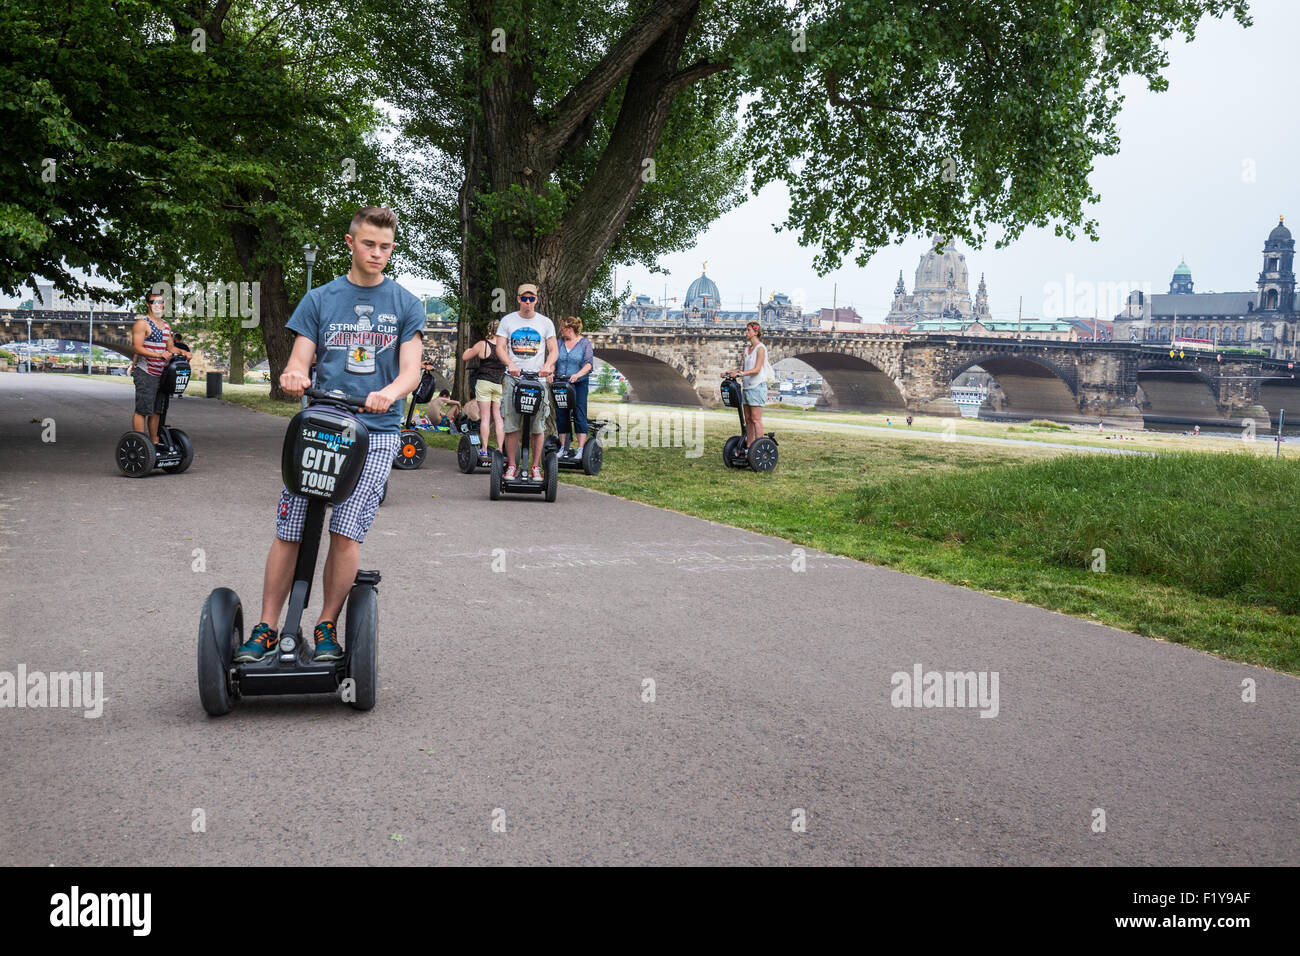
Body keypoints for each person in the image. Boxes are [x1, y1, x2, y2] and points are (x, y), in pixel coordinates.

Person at [233, 205, 424, 664]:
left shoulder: (405, 304)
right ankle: (267, 626)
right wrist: (294, 376)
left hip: (375, 430)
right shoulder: (319, 299)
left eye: (385, 247)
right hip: (321, 426)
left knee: (345, 532)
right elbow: (300, 358)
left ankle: (325, 625)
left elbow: (411, 372)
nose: (377, 253)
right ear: (350, 243)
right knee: (291, 527)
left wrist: (389, 392)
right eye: (369, 244)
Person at [496, 284, 557, 480]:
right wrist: (509, 363)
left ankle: (536, 467)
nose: (528, 302)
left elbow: (554, 350)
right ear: (518, 299)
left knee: (538, 426)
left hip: (537, 380)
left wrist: (547, 365)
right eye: (524, 298)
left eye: (531, 299)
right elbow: (500, 347)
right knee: (511, 424)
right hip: (513, 378)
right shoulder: (507, 320)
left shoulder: (545, 323)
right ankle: (512, 465)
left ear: (537, 300)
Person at [129, 291, 184, 445]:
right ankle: (141, 444)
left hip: (161, 374)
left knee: (156, 410)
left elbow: (171, 348)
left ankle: (154, 443)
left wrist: (184, 352)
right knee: (143, 410)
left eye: (160, 302)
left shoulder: (166, 325)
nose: (158, 305)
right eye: (154, 302)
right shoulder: (142, 323)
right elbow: (137, 348)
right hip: (146, 372)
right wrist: (158, 355)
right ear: (148, 304)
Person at [466, 320, 505, 463]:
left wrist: (468, 350)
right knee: (498, 417)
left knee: (485, 417)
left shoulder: (483, 344)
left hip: (484, 383)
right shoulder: (504, 347)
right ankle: (500, 449)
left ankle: (484, 448)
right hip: (498, 384)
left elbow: (466, 357)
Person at [555, 315, 594, 457]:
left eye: (562, 328)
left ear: (569, 329)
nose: (561, 331)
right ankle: (563, 448)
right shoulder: (559, 342)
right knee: (561, 415)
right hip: (560, 384)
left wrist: (578, 374)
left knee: (579, 414)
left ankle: (581, 449)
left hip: (579, 385)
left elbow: (589, 364)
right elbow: (553, 359)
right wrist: (549, 372)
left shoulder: (584, 344)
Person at [725, 321, 767, 447]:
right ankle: (749, 447)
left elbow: (757, 369)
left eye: (748, 330)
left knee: (756, 420)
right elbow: (742, 368)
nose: (746, 333)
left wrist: (740, 374)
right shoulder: (747, 350)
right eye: (746, 330)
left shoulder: (761, 349)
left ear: (756, 332)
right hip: (747, 388)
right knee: (748, 420)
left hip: (757, 387)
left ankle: (759, 447)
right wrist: (729, 372)